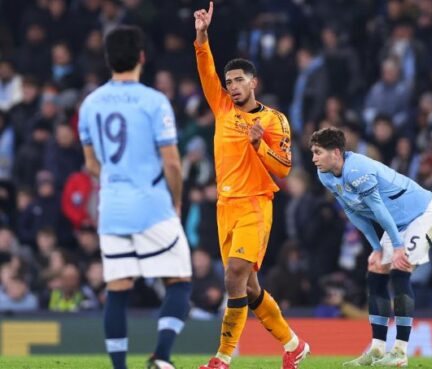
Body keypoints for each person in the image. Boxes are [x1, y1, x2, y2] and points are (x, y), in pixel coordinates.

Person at [193, 3, 309, 369]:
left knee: (233, 277)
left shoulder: (274, 120)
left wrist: (260, 145)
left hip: (256, 205)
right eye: (229, 82)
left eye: (239, 80)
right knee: (250, 287)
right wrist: (202, 35)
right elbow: (205, 68)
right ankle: (294, 345)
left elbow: (285, 169)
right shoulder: (222, 108)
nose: (232, 86)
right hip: (225, 209)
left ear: (253, 82)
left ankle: (222, 358)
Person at [78, 26, 192, 369]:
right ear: (142, 57)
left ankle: (119, 367)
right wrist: (176, 200)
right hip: (152, 204)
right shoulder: (154, 101)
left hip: (112, 208)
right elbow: (172, 162)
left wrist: (116, 178)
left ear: (108, 59)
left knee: (117, 288)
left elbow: (90, 164)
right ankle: (163, 355)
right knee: (180, 281)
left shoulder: (90, 103)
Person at [310, 127, 432, 367]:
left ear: (336, 152)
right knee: (376, 268)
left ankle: (401, 352)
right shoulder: (326, 175)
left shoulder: (357, 169)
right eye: (313, 152)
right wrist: (376, 247)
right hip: (397, 221)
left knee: (400, 267)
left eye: (318, 152)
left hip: (422, 212)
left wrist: (398, 246)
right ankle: (377, 349)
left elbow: (379, 210)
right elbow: (352, 211)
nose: (314, 158)